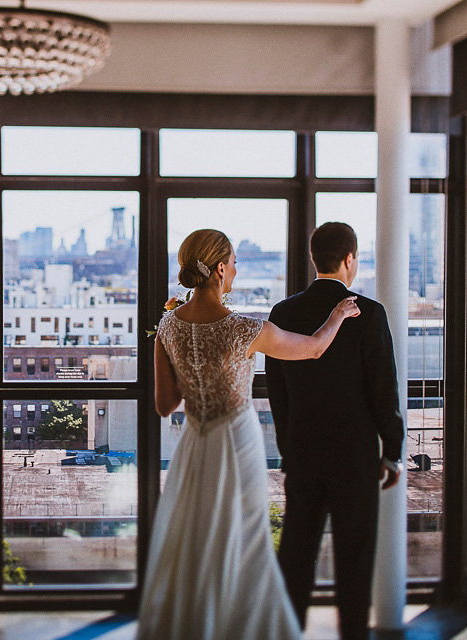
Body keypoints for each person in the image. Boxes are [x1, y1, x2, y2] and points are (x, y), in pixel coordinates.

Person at [137, 229, 360, 640]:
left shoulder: (167, 326)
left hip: (195, 442)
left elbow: (165, 405)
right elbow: (312, 348)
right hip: (236, 441)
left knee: (195, 537)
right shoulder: (242, 329)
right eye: (235, 263)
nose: (236, 271)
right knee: (245, 537)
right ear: (220, 269)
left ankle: (195, 623)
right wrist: (338, 316)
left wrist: (194, 367)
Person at [266, 222, 404, 640]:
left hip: (304, 452)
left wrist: (289, 447)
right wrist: (392, 450)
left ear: (313, 258)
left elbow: (278, 394)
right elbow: (384, 390)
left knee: (296, 554)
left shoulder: (284, 313)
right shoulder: (369, 313)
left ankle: (289, 632)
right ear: (349, 259)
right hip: (356, 455)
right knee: (355, 558)